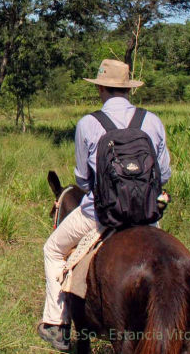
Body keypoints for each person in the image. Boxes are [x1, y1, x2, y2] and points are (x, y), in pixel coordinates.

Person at [38, 59, 172, 352]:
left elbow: (83, 182)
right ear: (128, 89)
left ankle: (56, 324)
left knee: (52, 249)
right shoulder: (153, 120)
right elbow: (164, 174)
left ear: (99, 87)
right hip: (145, 216)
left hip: (99, 214)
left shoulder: (88, 123)